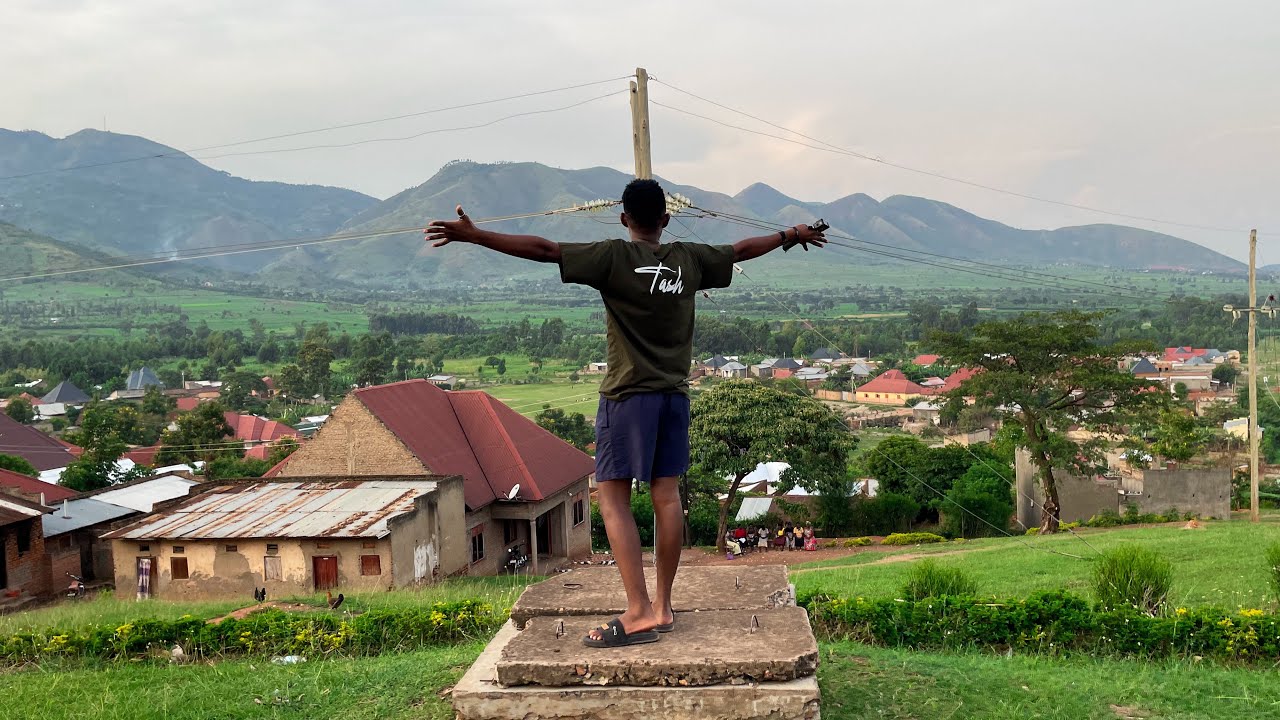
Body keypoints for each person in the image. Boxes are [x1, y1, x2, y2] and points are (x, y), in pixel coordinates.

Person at [426, 179, 826, 648]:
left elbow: (545, 249)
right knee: (667, 497)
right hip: (673, 397)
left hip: (626, 397)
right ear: (666, 219)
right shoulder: (690, 259)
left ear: (624, 219)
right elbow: (741, 250)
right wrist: (791, 234)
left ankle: (637, 612)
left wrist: (477, 236)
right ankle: (663, 607)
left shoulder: (613, 257)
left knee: (613, 498)